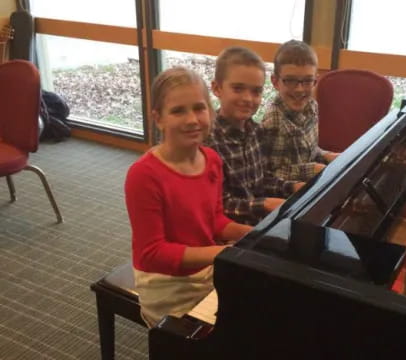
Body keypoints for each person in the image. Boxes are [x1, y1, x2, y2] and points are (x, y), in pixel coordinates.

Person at [125, 67, 252, 327]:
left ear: (210, 111)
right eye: (178, 111)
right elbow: (153, 253)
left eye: (199, 108)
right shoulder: (143, 175)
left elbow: (214, 220)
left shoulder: (212, 160)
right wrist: (221, 253)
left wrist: (252, 234)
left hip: (206, 267)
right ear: (158, 118)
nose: (192, 119)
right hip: (166, 284)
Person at [206, 46, 303, 225]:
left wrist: (291, 186)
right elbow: (217, 206)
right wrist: (264, 204)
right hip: (232, 233)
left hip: (260, 222)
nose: (248, 99)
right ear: (216, 88)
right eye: (238, 89)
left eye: (256, 91)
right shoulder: (208, 141)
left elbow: (261, 179)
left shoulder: (257, 131)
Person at [262, 40, 339, 182]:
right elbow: (269, 174)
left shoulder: (311, 106)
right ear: (275, 82)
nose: (299, 89)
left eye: (307, 81)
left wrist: (327, 155)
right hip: (288, 195)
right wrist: (312, 169)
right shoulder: (274, 122)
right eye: (290, 80)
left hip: (311, 182)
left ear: (315, 81)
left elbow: (309, 150)